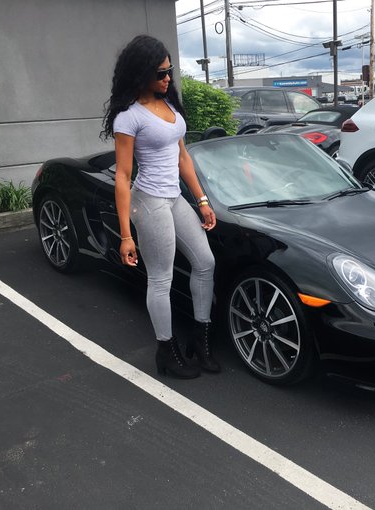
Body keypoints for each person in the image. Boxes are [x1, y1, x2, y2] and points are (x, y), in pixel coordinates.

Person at [101, 35, 219, 379]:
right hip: (149, 201)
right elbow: (123, 177)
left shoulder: (169, 105)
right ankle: (166, 351)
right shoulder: (129, 117)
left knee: (205, 262)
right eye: (161, 73)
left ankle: (200, 340)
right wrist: (126, 235)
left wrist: (202, 200)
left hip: (174, 198)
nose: (168, 78)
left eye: (170, 71)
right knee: (161, 278)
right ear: (141, 73)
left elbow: (183, 158)